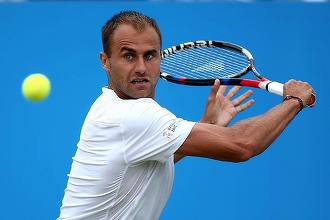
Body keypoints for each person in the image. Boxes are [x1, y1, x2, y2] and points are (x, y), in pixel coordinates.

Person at [57, 10, 316, 220]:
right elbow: (242, 145)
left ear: (160, 57)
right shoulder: (129, 115)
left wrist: (207, 125)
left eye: (150, 56)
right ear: (105, 61)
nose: (141, 68)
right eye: (128, 56)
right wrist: (294, 100)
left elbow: (153, 159)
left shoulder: (109, 106)